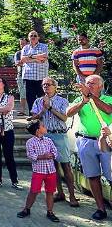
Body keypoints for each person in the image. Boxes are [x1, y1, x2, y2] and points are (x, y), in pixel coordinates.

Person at [66, 74, 112, 220]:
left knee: (111, 176)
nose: (88, 85)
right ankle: (100, 208)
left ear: (101, 86)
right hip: (86, 142)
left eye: (92, 83)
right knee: (92, 176)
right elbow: (68, 113)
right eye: (87, 83)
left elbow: (108, 110)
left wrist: (91, 97)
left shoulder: (108, 99)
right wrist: (83, 102)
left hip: (106, 142)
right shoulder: (80, 100)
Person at [28, 77, 78, 207]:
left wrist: (50, 108)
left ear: (55, 86)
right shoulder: (39, 100)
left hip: (59, 135)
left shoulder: (62, 100)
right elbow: (33, 117)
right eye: (44, 84)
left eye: (48, 84)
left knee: (66, 166)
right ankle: (60, 193)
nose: (46, 86)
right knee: (52, 167)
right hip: (46, 136)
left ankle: (72, 196)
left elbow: (64, 117)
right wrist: (43, 111)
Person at [17, 120, 61, 223]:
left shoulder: (48, 140)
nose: (45, 127)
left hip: (51, 170)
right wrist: (43, 156)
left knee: (50, 191)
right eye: (43, 126)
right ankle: (26, 209)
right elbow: (31, 156)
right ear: (38, 130)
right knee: (34, 191)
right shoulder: (30, 142)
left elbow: (55, 151)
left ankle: (50, 211)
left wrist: (52, 155)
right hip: (38, 171)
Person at [19, 30, 49, 109]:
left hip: (41, 77)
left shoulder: (44, 46)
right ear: (28, 38)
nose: (33, 37)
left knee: (42, 97)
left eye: (35, 36)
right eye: (31, 36)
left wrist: (30, 57)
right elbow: (23, 59)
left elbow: (44, 57)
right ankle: (32, 116)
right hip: (29, 77)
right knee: (30, 98)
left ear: (38, 37)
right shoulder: (25, 47)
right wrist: (36, 59)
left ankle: (41, 116)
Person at [14, 38, 28, 115]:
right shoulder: (18, 53)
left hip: (31, 76)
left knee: (30, 93)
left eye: (24, 43)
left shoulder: (31, 52)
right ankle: (22, 110)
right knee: (22, 93)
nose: (22, 45)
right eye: (21, 44)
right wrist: (29, 61)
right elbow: (18, 63)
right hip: (21, 76)